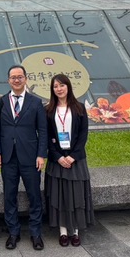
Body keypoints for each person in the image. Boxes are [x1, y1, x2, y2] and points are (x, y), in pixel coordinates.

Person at [0, 64, 47, 251]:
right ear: (8, 80)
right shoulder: (0, 102)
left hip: (30, 157)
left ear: (25, 79)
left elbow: (42, 130)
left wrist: (41, 154)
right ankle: (13, 232)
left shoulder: (36, 102)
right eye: (13, 77)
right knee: (9, 195)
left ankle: (35, 233)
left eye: (20, 77)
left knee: (34, 195)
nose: (16, 80)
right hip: (8, 157)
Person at [44, 74, 95, 247]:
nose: (59, 89)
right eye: (55, 86)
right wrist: (58, 157)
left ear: (68, 87)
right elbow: (46, 136)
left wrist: (73, 156)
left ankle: (76, 231)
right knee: (59, 196)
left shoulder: (79, 108)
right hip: (57, 160)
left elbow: (83, 135)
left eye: (62, 85)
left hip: (76, 159)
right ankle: (63, 232)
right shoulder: (48, 110)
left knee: (76, 195)